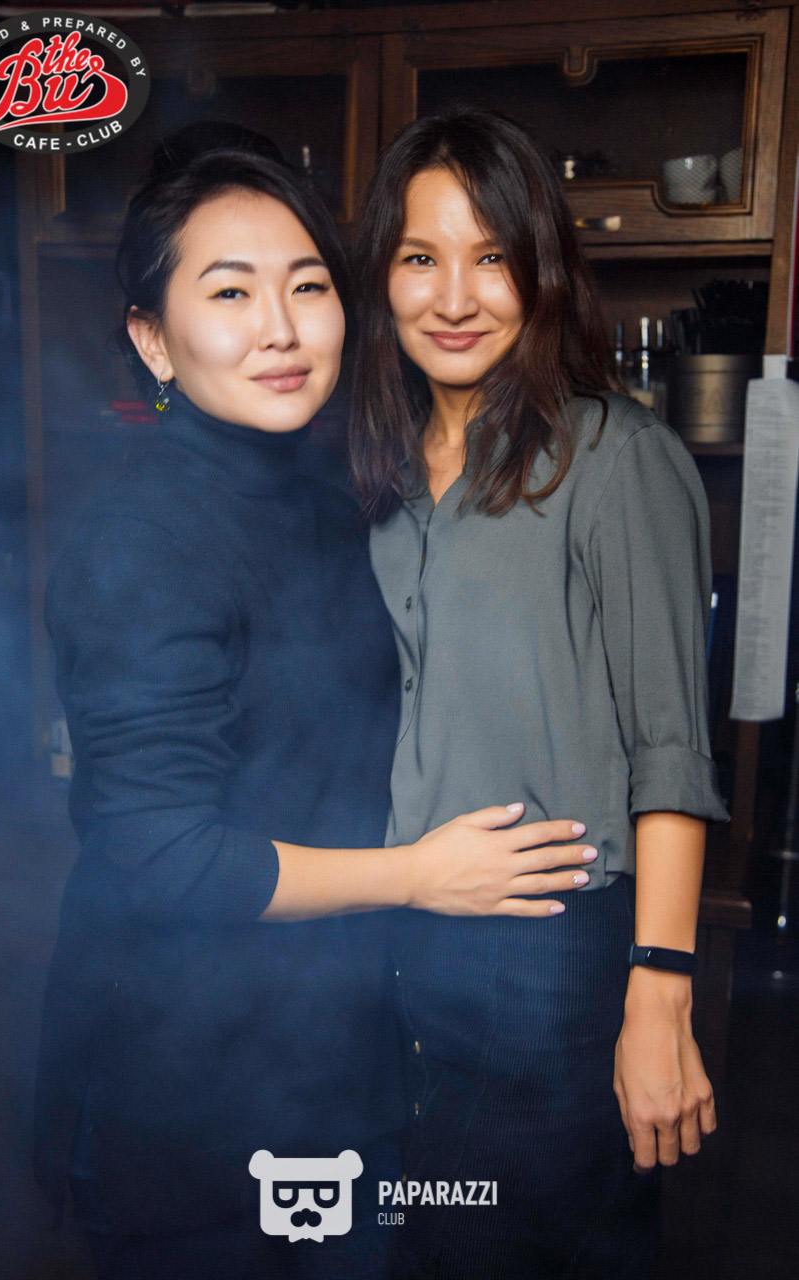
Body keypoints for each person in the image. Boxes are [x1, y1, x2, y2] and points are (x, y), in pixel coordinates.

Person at [33, 128, 597, 1280]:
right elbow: (159, 853)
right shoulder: (140, 539)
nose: (281, 329)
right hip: (180, 1091)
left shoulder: (344, 486)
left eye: (307, 286)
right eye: (229, 292)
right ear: (151, 337)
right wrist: (418, 874)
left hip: (334, 1057)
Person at [351, 105, 731, 1280]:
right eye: (420, 258)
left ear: (541, 270)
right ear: (382, 279)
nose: (454, 297)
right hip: (393, 939)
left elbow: (669, 745)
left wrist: (657, 993)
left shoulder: (615, 457)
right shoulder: (374, 474)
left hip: (550, 955)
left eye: (491, 257)